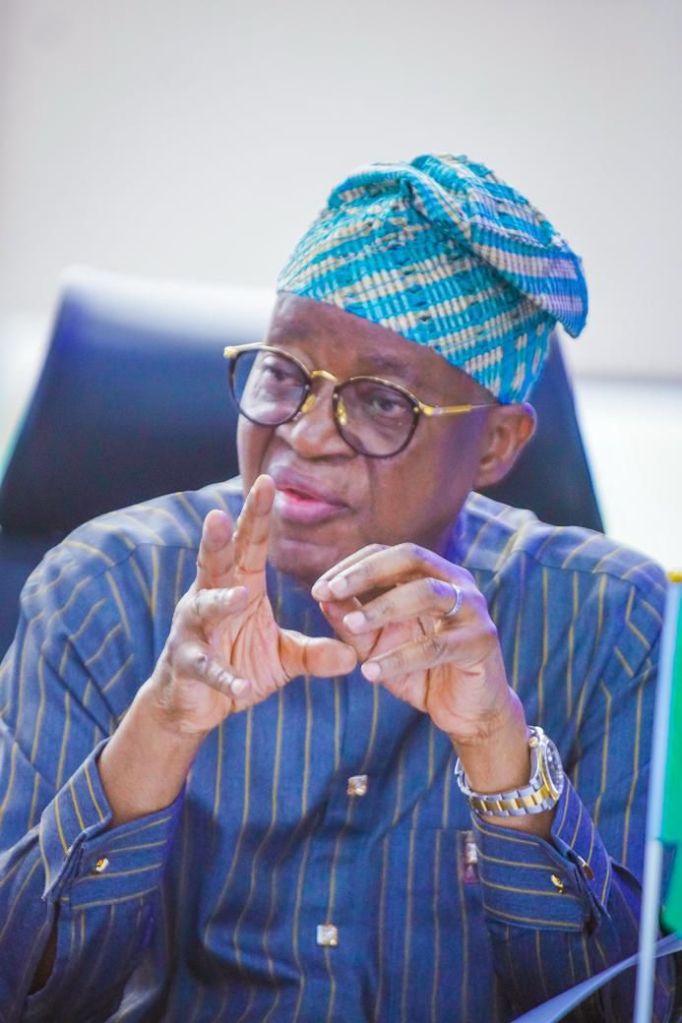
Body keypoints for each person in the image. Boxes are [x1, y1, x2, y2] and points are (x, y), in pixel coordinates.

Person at [0, 154, 675, 1022]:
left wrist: (499, 754)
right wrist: (158, 730)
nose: (307, 433)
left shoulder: (616, 619)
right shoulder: (101, 588)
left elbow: (626, 1008)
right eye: (283, 375)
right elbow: (21, 994)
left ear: (498, 443)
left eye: (382, 401)